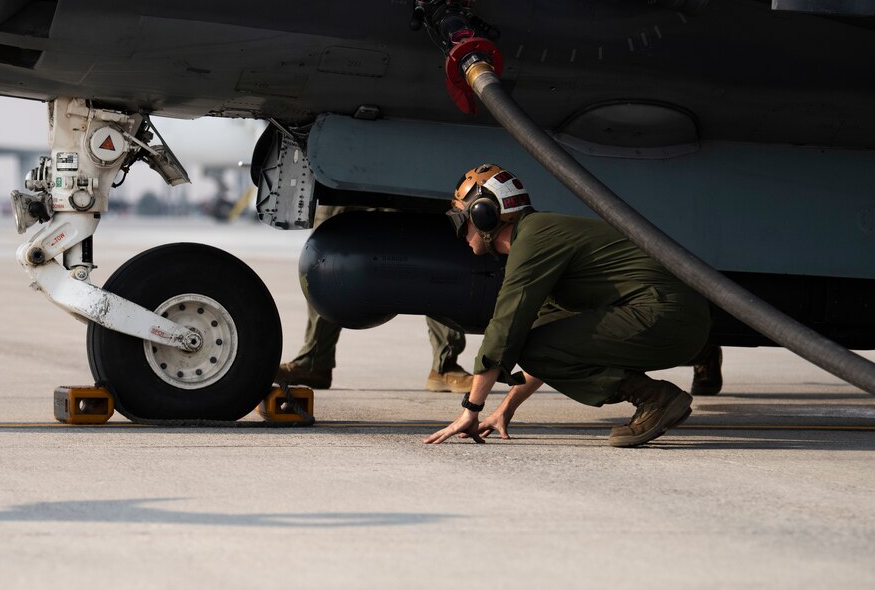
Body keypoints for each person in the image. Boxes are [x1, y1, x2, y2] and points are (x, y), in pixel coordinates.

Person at [424, 164, 712, 448]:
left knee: (526, 339)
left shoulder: (535, 239)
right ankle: (654, 397)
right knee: (537, 335)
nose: (460, 231)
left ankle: (654, 398)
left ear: (483, 215)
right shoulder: (538, 235)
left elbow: (505, 327)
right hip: (674, 318)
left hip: (666, 315)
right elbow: (548, 345)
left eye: (461, 219)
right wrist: (504, 410)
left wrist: (471, 409)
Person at [276, 205, 473, 393]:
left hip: (399, 178)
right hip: (342, 181)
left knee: (432, 255)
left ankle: (444, 364)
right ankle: (313, 362)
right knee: (326, 263)